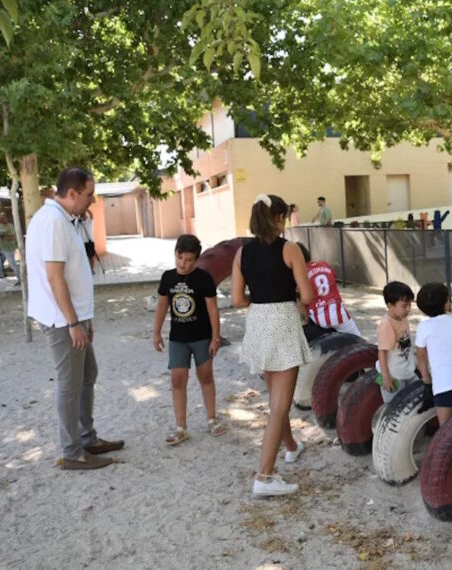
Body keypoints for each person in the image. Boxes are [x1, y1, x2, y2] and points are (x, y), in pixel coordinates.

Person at [26, 167, 123, 470]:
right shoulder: (54, 221)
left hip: (72, 317)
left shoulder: (61, 219)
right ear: (72, 193)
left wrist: (84, 318)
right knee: (69, 385)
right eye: (89, 194)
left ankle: (87, 438)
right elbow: (55, 278)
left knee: (87, 374)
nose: (92, 200)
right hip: (62, 321)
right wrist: (73, 323)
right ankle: (72, 453)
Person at [231, 193, 315, 496]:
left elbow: (237, 299)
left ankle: (291, 446)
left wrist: (260, 299)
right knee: (280, 405)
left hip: (258, 322)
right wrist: (291, 296)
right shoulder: (290, 249)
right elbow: (308, 295)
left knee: (276, 398)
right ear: (279, 218)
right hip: (283, 322)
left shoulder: (241, 253)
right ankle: (264, 477)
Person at [153, 234, 226, 446]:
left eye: (188, 260)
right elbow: (162, 305)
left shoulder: (204, 278)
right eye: (180, 258)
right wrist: (156, 332)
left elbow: (213, 309)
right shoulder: (167, 278)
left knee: (206, 377)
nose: (183, 263)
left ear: (196, 260)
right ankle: (180, 427)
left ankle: (212, 419)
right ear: (175, 253)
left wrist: (215, 337)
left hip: (201, 337)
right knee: (177, 379)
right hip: (178, 338)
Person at [415, 282, 452, 426]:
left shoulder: (423, 327)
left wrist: (426, 379)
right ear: (446, 303)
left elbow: (421, 357)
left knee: (447, 429)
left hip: (444, 385)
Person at [297, 243, 361, 337]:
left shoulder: (301, 276)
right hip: (339, 315)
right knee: (357, 337)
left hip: (319, 319)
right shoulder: (325, 265)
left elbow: (303, 301)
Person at [376, 281, 418, 403]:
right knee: (394, 407)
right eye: (404, 306)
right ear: (390, 305)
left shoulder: (402, 318)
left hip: (408, 371)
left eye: (409, 305)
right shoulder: (386, 325)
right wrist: (386, 377)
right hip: (394, 376)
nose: (408, 309)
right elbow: (382, 352)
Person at [0, 212, 21, 287]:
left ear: (6, 218)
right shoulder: (0, 226)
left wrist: (1, 237)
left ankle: (20, 279)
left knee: (12, 264)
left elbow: (11, 237)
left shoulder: (10, 226)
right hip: (1, 248)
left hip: (9, 249)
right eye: (0, 218)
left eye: (3, 218)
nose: (1, 220)